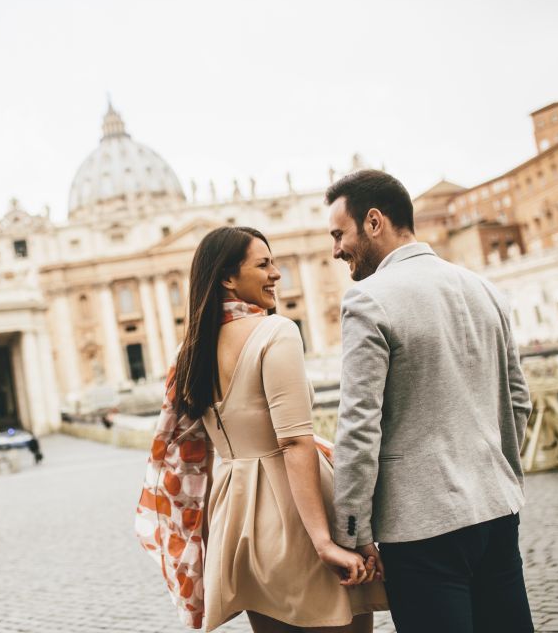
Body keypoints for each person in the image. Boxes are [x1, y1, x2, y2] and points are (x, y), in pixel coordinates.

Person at [136, 226, 386, 632]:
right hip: (296, 510)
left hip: (234, 516)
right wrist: (325, 540)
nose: (276, 274)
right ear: (227, 278)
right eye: (264, 265)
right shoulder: (276, 331)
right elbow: (293, 441)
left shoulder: (189, 351)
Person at [326, 169, 533, 633]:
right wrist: (500, 475)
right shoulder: (485, 289)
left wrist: (353, 532)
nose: (336, 249)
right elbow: (519, 400)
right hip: (497, 511)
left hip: (421, 528)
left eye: (340, 234)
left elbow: (359, 426)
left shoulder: (367, 299)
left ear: (374, 221)